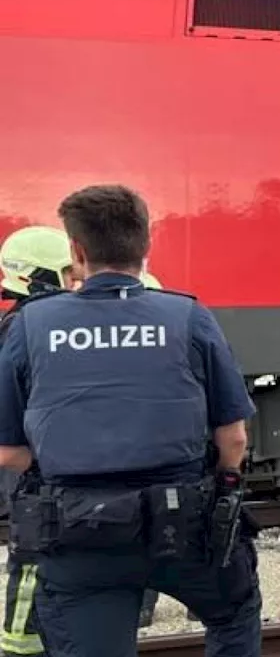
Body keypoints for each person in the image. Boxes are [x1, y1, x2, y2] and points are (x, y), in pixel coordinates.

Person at [0, 185, 263, 657]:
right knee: (234, 613)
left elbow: (9, 452)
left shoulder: (28, 326)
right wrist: (223, 485)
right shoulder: (188, 317)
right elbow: (234, 437)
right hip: (186, 526)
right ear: (146, 246)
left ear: (77, 252)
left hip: (80, 534)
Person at [0, 225, 80, 657]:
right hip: (35, 471)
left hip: (41, 465)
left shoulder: (25, 324)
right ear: (38, 275)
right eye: (65, 273)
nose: (73, 281)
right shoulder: (23, 328)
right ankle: (19, 647)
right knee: (31, 562)